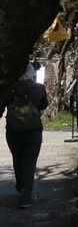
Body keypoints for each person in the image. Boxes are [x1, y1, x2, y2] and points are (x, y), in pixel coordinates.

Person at [0, 64, 48, 208]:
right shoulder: (38, 88)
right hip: (33, 131)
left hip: (13, 132)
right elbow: (44, 105)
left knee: (17, 158)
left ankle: (21, 186)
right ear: (32, 74)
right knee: (29, 163)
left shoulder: (8, 89)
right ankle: (25, 198)